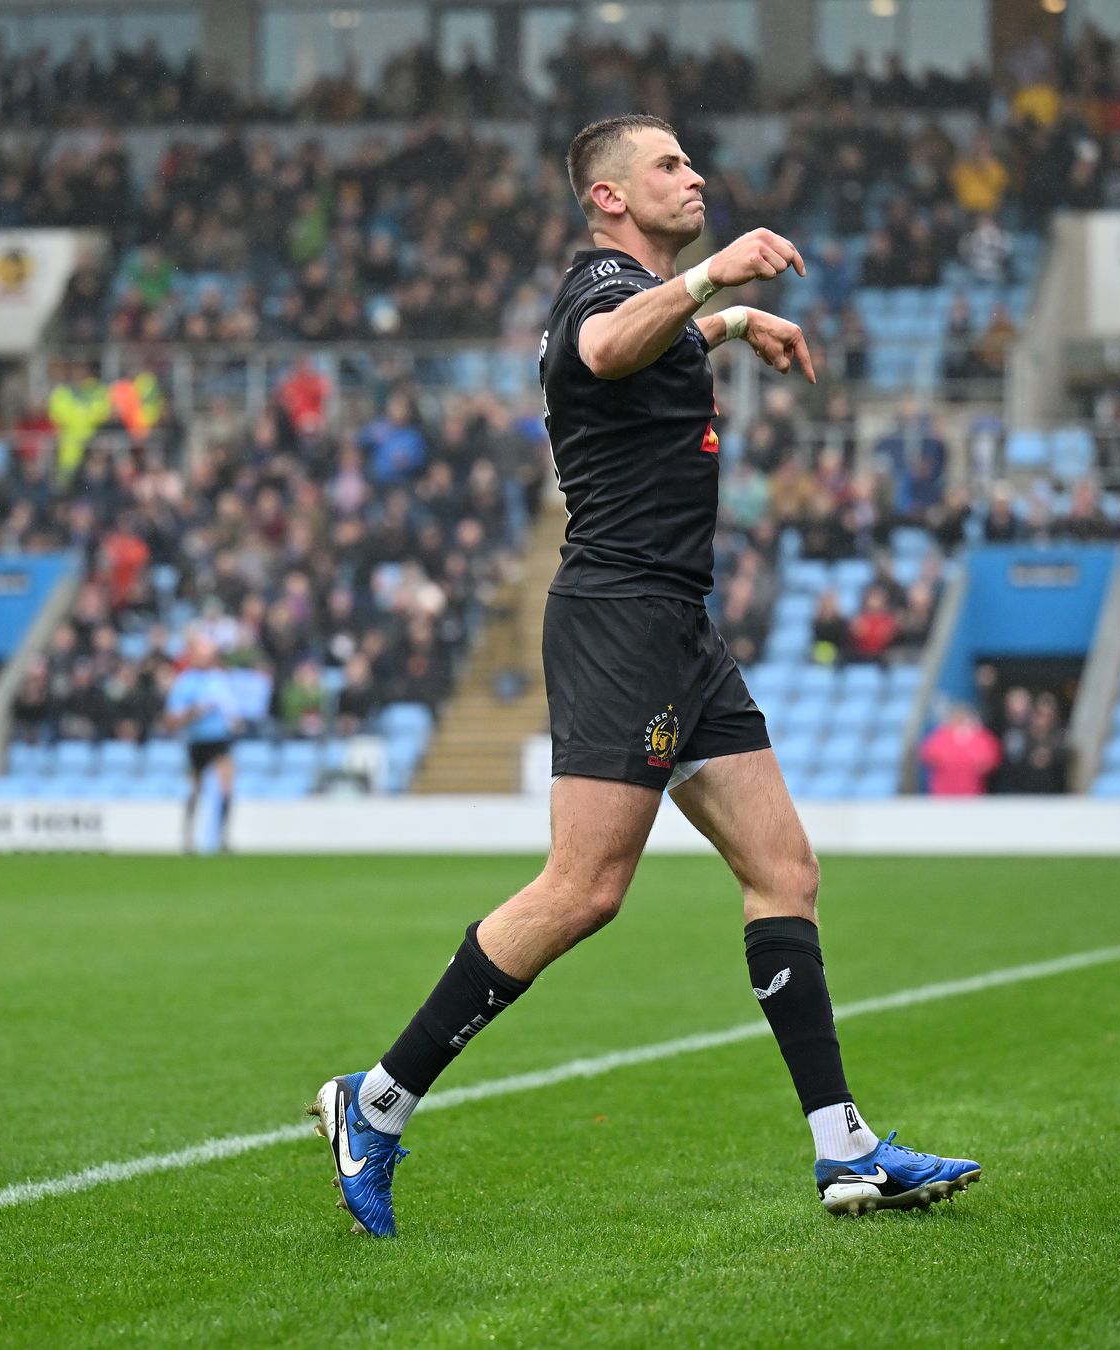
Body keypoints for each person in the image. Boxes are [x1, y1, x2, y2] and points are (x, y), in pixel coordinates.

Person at [308, 114, 978, 1239]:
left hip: (677, 623)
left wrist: (727, 321)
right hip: (619, 618)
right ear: (608, 196)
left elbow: (644, 347)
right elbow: (603, 350)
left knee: (784, 869)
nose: (693, 173)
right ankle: (372, 1102)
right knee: (583, 890)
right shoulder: (598, 283)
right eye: (666, 163)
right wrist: (722, 277)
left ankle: (843, 1151)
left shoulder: (647, 297)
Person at [162, 634, 246, 853]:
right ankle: (188, 838)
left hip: (220, 740)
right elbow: (172, 720)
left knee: (227, 787)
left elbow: (236, 716)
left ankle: (223, 837)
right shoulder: (185, 682)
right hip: (197, 740)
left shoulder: (221, 680)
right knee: (195, 790)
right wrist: (195, 711)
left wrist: (234, 720)